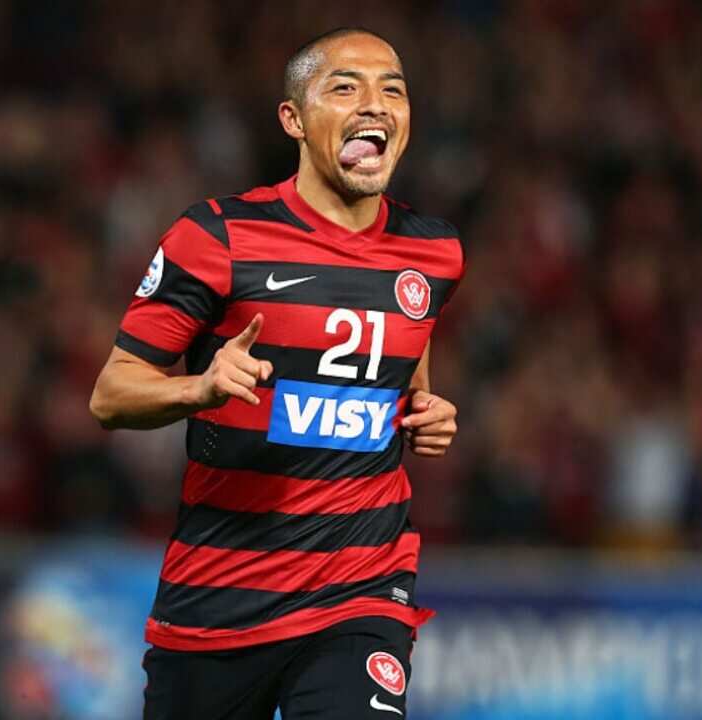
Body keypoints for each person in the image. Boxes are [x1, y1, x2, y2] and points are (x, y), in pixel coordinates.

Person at [90, 27, 463, 720]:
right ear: (294, 119)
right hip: (219, 592)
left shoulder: (433, 253)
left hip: (361, 587)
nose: (374, 104)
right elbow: (111, 395)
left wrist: (424, 409)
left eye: (393, 90)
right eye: (346, 87)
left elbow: (409, 367)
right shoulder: (217, 238)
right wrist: (196, 388)